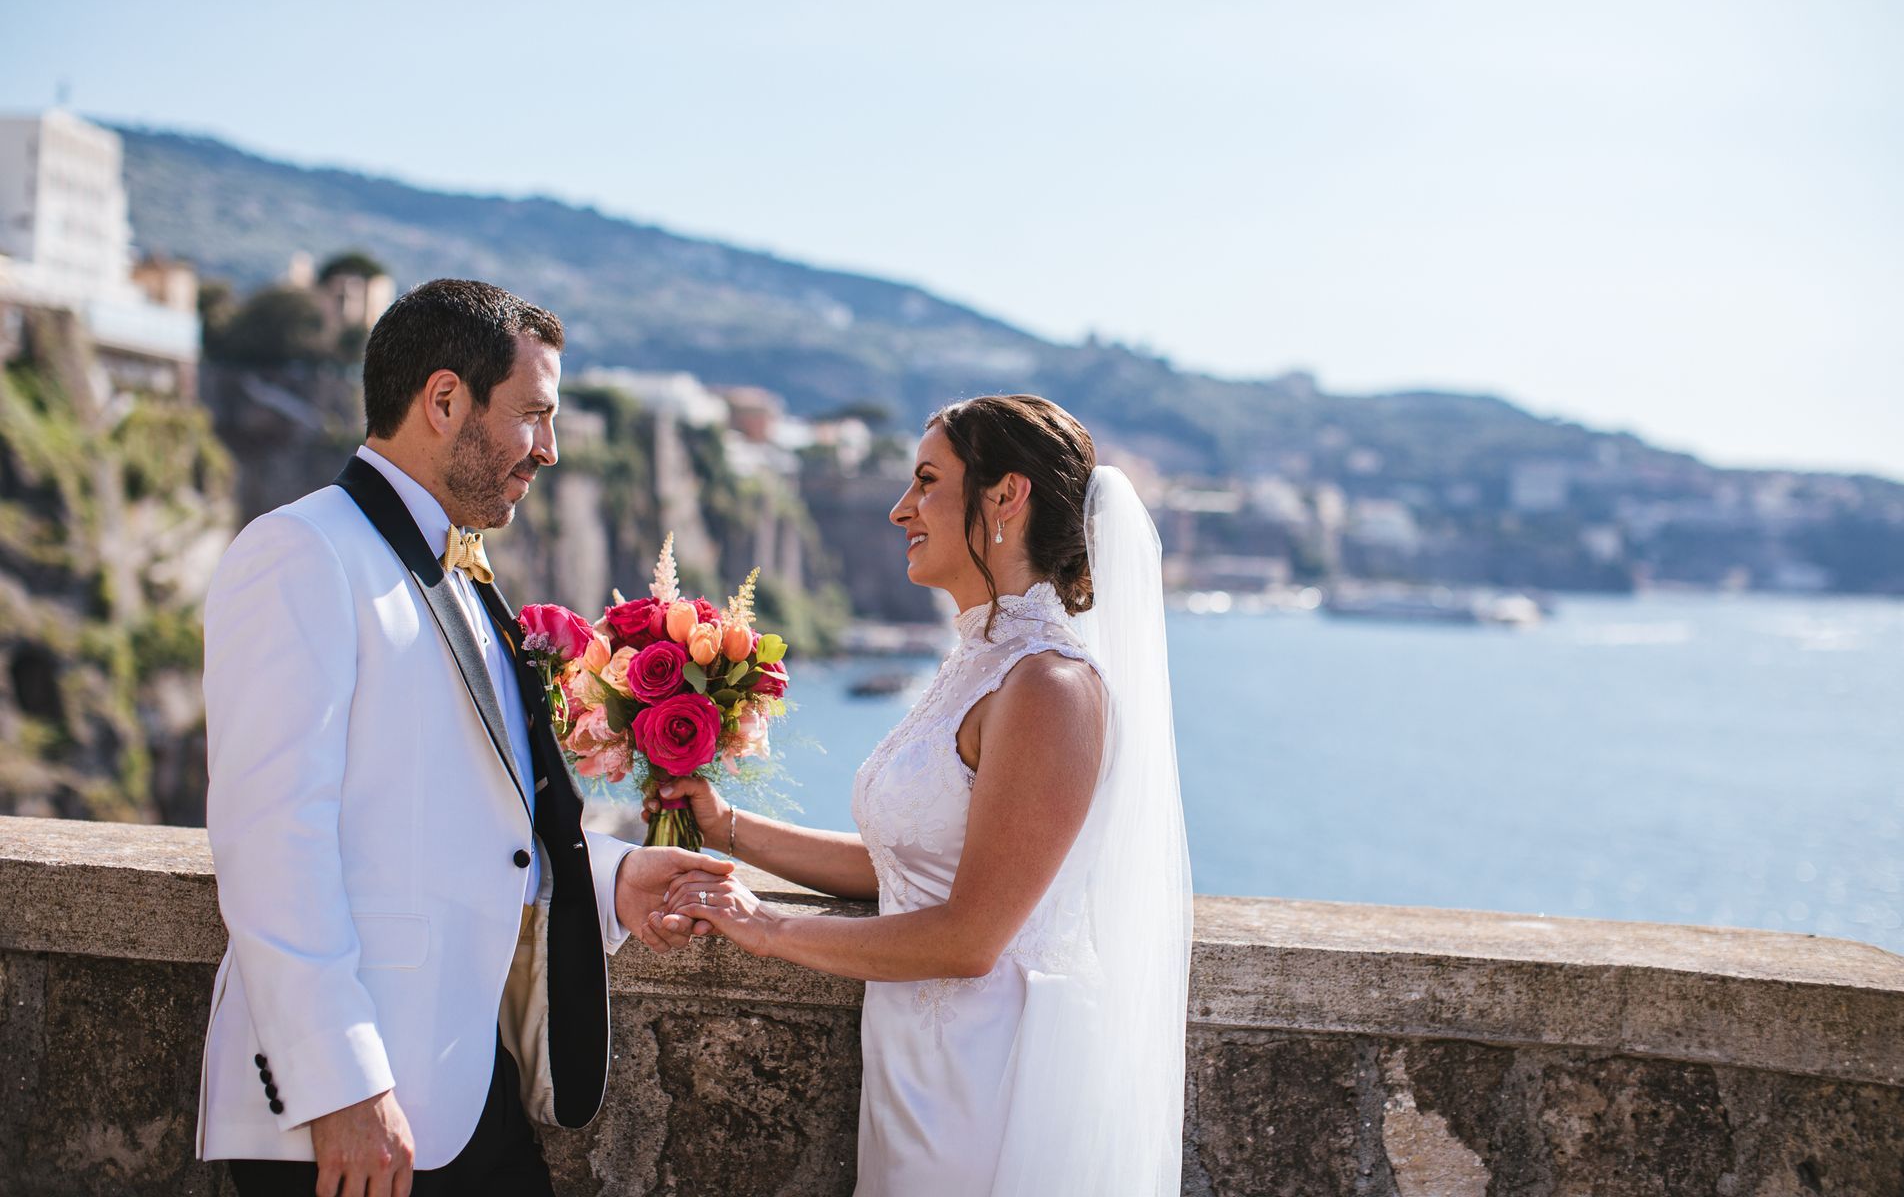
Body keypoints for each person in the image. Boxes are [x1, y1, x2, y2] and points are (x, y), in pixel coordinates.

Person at [197, 279, 729, 1196]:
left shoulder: (459, 571)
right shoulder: (303, 554)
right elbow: (269, 842)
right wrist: (343, 1084)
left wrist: (608, 879)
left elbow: (467, 818)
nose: (550, 450)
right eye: (533, 416)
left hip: (462, 1084)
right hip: (353, 1110)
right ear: (444, 401)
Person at [649, 394, 1194, 1195]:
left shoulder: (1050, 686)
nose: (902, 508)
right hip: (915, 1068)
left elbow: (970, 935)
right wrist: (728, 827)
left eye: (929, 480)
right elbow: (907, 869)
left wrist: (764, 928)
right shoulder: (978, 662)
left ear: (1006, 496)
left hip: (988, 1086)